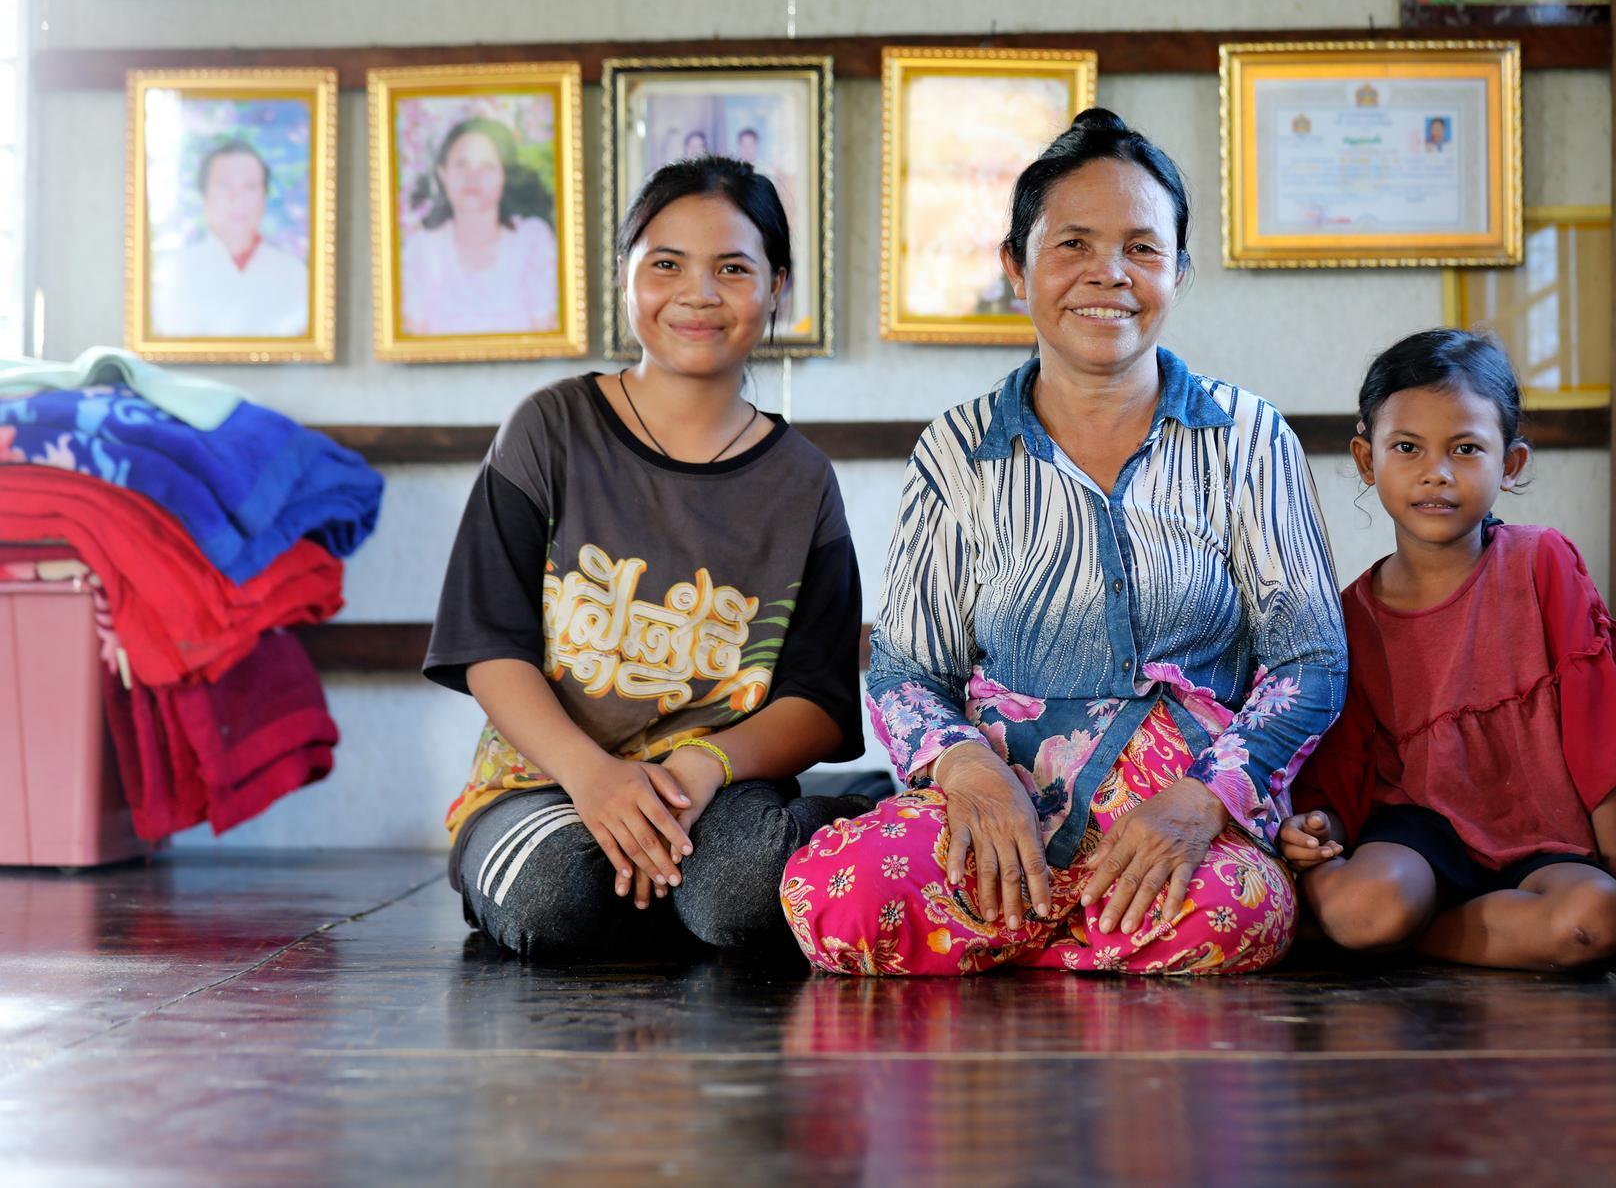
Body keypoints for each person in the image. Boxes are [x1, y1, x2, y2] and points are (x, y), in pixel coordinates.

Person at [782, 110, 1348, 976]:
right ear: (1018, 267)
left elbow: (1309, 658)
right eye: (1073, 244)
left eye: (1143, 249)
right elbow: (904, 671)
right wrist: (970, 771)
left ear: (1180, 271)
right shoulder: (958, 448)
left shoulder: (1249, 437)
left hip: (1174, 812)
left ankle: (1014, 941)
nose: (1109, 275)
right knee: (829, 895)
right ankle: (1084, 942)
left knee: (1241, 913)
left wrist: (1207, 800)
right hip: (997, 803)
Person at [423, 157, 869, 959]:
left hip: (719, 784)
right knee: (553, 899)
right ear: (627, 278)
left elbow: (820, 698)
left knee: (737, 901)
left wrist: (703, 766)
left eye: (733, 268)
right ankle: (655, 880)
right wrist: (593, 777)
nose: (697, 292)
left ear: (778, 288)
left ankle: (845, 812)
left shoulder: (802, 479)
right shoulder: (548, 429)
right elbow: (488, 645)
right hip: (546, 780)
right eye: (666, 264)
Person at [1280, 329, 1616, 970]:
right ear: (1367, 462)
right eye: (1407, 447)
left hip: (1544, 845)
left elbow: (1603, 749)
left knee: (1597, 918)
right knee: (1363, 903)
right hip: (1416, 837)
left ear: (1510, 464)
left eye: (1466, 449)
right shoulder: (1352, 615)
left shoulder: (1542, 565)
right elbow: (1345, 776)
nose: (1437, 472)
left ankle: (1409, 935)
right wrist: (1320, 834)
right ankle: (1381, 924)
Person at [399, 117, 559, 337]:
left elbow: (547, 334)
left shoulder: (533, 240)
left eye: (487, 166)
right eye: (461, 164)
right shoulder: (421, 248)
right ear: (442, 174)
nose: (472, 177)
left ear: (505, 176)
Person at [150, 137, 309, 339]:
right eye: (225, 186)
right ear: (203, 196)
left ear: (264, 198)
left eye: (250, 186)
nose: (237, 198)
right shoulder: (171, 272)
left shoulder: (296, 275)